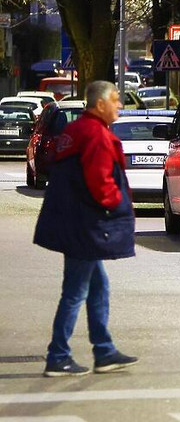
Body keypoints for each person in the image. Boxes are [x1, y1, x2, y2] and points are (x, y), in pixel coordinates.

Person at [34, 80, 139, 377]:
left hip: (73, 221)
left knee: (97, 287)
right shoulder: (96, 135)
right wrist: (117, 204)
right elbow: (99, 181)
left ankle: (104, 351)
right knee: (75, 291)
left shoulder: (74, 130)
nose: (120, 105)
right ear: (100, 104)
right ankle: (58, 355)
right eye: (116, 100)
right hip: (85, 225)